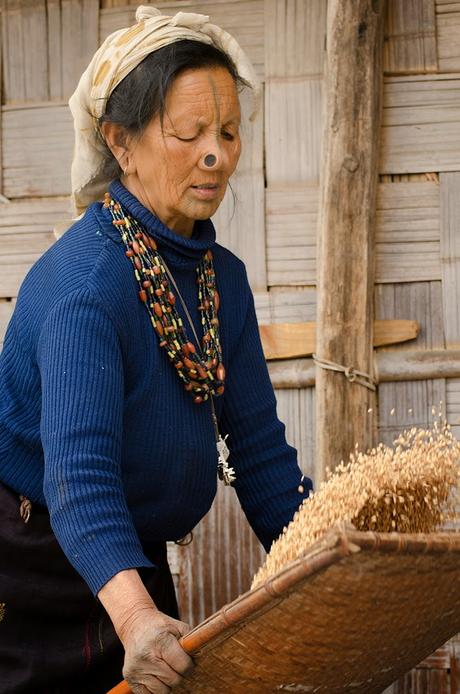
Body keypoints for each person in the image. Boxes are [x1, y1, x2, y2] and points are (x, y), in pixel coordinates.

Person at [0, 7, 313, 694]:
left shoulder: (218, 278)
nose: (217, 155)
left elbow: (259, 455)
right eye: (189, 133)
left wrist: (327, 559)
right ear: (121, 142)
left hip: (127, 552)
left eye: (228, 132)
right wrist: (137, 616)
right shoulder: (86, 288)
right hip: (35, 566)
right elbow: (79, 483)